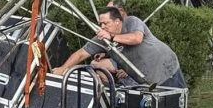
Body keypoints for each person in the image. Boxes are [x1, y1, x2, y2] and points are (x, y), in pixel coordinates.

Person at [54, 5, 186, 88]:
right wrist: (63, 69)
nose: (102, 27)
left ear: (117, 21)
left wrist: (111, 37)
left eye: (106, 23)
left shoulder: (131, 22)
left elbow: (136, 38)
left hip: (167, 69)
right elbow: (81, 53)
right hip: (148, 80)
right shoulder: (103, 37)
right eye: (101, 24)